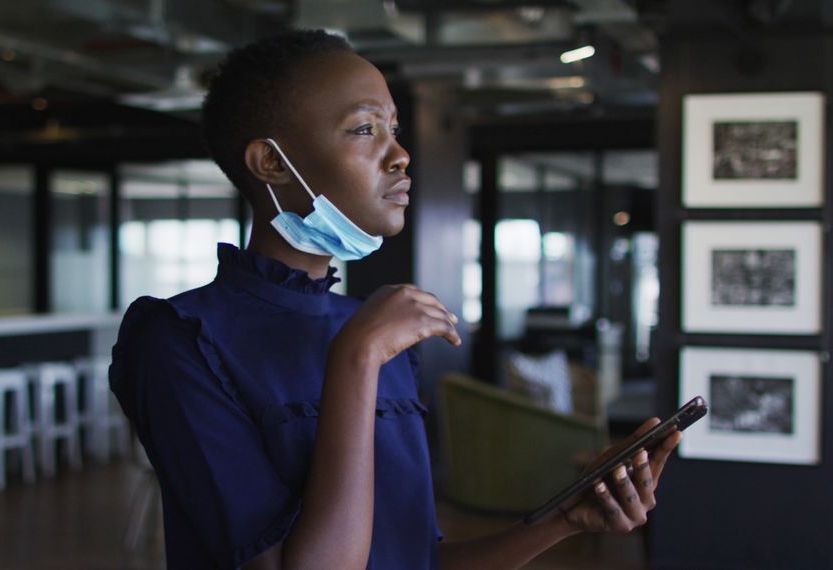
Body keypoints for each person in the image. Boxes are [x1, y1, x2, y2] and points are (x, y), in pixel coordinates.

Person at [109, 29, 682, 570]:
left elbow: (414, 560)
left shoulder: (373, 330)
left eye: (395, 128)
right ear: (272, 162)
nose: (400, 154)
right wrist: (356, 358)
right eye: (364, 129)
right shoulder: (179, 337)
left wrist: (563, 518)